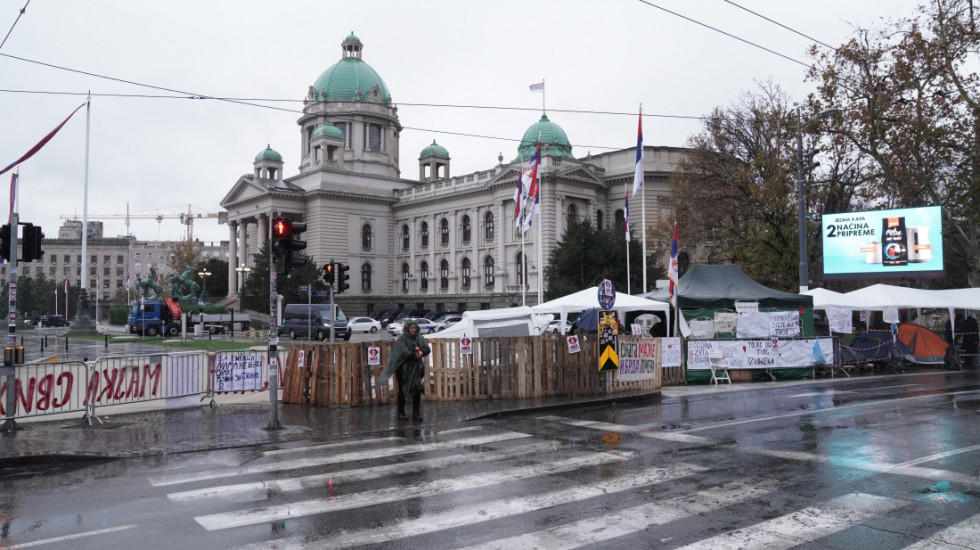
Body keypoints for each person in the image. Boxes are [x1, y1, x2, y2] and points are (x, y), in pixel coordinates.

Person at [374, 320, 431, 421]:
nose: (413, 330)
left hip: (416, 369)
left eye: (414, 328)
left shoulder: (419, 338)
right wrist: (415, 355)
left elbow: (427, 348)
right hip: (404, 369)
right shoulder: (402, 339)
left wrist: (422, 352)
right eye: (411, 328)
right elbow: (404, 352)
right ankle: (401, 413)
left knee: (417, 390)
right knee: (402, 391)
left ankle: (416, 414)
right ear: (407, 329)